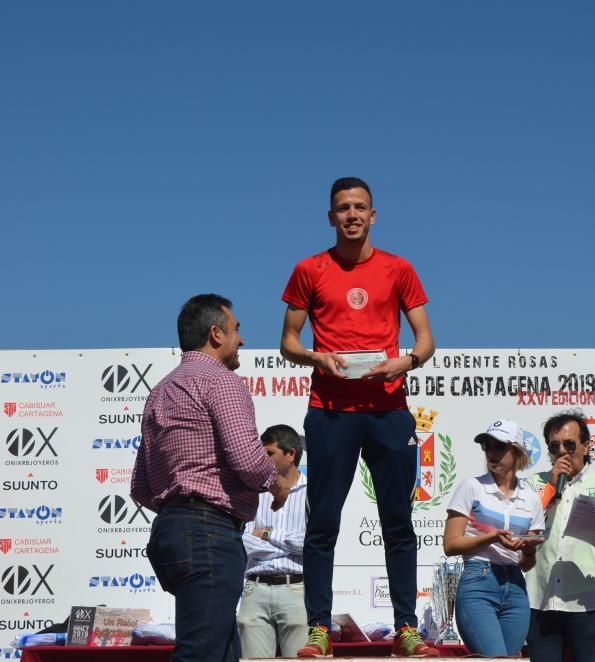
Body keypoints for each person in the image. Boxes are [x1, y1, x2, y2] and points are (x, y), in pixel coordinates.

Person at [280, 177, 438, 658]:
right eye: (342, 208)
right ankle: (319, 630)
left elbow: (426, 339)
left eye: (360, 208)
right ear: (330, 217)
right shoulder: (309, 269)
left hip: (388, 408)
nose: (351, 215)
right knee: (323, 521)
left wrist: (405, 361)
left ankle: (406, 630)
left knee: (398, 521)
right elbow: (288, 342)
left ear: (373, 215)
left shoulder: (399, 268)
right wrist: (317, 358)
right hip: (330, 411)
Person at [131, 294, 291, 662]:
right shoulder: (221, 382)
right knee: (201, 653)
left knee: (221, 651)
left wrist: (180, 508)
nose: (243, 340)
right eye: (237, 330)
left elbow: (141, 485)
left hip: (173, 534)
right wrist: (277, 482)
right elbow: (248, 460)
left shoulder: (160, 392)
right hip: (208, 535)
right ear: (216, 334)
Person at [524, 410, 595, 662]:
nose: (562, 451)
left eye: (569, 444)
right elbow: (521, 531)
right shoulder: (533, 485)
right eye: (555, 446)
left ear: (586, 447)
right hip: (540, 601)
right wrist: (551, 490)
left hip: (589, 603)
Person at [443, 419, 543, 656]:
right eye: (487, 446)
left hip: (516, 586)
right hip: (479, 581)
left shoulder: (531, 499)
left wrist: (529, 550)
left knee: (508, 659)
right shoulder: (472, 487)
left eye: (499, 446)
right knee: (496, 658)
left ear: (516, 450)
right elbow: (450, 544)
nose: (491, 452)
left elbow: (527, 564)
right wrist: (492, 538)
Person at [237, 424, 308, 658]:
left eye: (269, 454)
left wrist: (268, 535)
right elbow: (244, 541)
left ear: (291, 454)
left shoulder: (313, 491)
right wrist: (288, 548)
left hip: (296, 588)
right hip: (255, 588)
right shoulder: (253, 491)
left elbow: (310, 545)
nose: (263, 460)